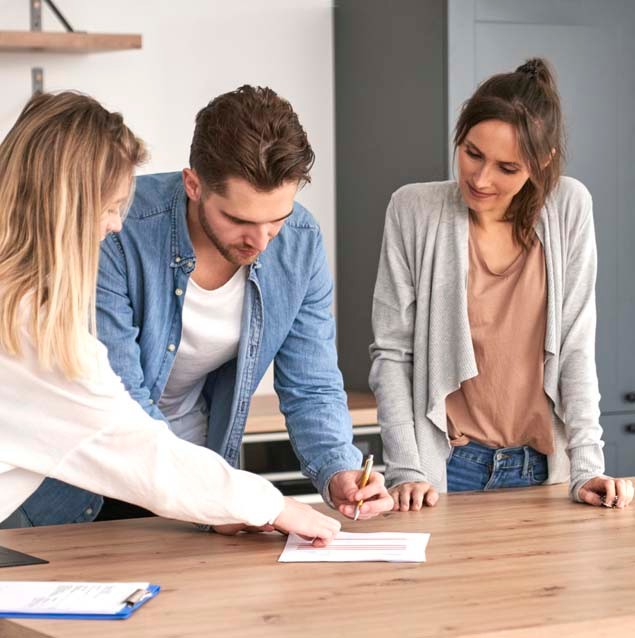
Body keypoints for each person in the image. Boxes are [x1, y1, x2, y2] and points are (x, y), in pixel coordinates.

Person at [14, 85, 392, 527]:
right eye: (239, 220)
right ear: (193, 184)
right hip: (106, 476)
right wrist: (247, 502)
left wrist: (338, 468)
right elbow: (120, 415)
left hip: (191, 471)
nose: (262, 240)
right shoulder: (114, 233)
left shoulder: (299, 243)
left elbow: (313, 383)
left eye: (277, 219)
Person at [369, 58, 634, 510]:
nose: (480, 178)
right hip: (447, 470)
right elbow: (393, 354)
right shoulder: (413, 210)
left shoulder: (569, 207)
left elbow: (575, 346)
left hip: (544, 470)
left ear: (541, 162)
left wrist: (588, 466)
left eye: (507, 168)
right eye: (472, 153)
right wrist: (406, 469)